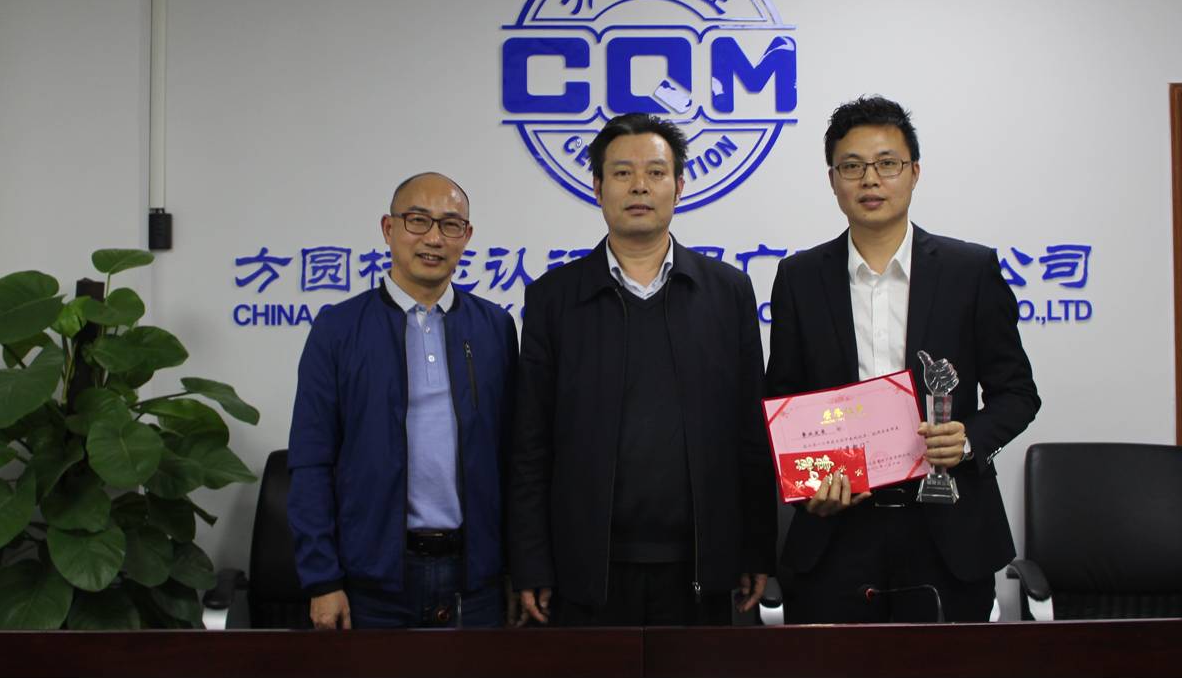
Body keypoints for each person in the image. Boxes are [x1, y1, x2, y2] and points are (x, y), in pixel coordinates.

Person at [765, 96, 1040, 623]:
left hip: (947, 529)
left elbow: (1018, 394)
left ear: (914, 172)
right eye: (852, 166)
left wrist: (968, 439)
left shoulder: (969, 271)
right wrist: (809, 485)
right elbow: (784, 400)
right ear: (832, 180)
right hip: (837, 532)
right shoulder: (799, 278)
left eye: (887, 163)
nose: (870, 179)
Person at [510, 113, 776, 627]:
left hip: (700, 566)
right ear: (597, 188)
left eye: (655, 173)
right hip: (585, 570)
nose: (639, 186)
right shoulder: (554, 299)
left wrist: (756, 547)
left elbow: (751, 432)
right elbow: (530, 445)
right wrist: (530, 560)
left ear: (679, 186)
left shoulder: (726, 293)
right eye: (622, 173)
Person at [287, 172, 518, 629]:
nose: (433, 238)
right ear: (388, 228)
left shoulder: (494, 327)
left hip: (476, 580)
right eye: (418, 220)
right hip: (372, 584)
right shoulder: (338, 330)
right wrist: (321, 579)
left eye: (450, 224)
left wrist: (517, 567)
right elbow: (311, 461)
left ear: (466, 236)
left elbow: (514, 457)